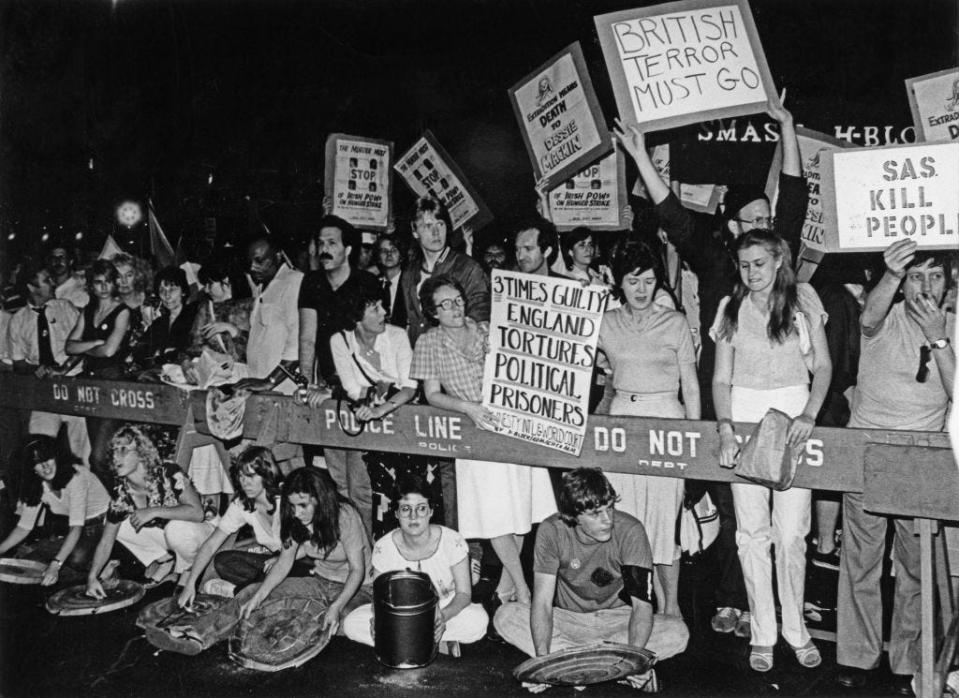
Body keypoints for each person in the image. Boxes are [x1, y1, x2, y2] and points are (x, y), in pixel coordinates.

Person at [836, 240, 956, 693]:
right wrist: (889, 273)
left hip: (922, 453)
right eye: (915, 275)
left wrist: (939, 336)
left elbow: (957, 390)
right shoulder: (884, 313)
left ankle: (909, 658)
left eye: (935, 275)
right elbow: (867, 319)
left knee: (915, 564)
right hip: (866, 445)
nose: (925, 285)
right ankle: (856, 656)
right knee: (861, 559)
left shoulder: (955, 324)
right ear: (903, 281)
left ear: (948, 282)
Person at [712, 229, 832, 672]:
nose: (752, 273)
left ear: (779, 260)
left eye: (759, 263)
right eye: (744, 265)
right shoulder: (730, 308)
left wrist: (810, 414)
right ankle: (762, 631)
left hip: (793, 420)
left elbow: (822, 365)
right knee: (751, 535)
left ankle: (795, 629)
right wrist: (725, 428)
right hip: (744, 419)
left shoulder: (803, 301)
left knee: (792, 534)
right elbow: (721, 378)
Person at [410, 275, 555, 607]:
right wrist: (467, 408)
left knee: (520, 512)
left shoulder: (488, 330)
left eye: (458, 300)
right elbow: (432, 394)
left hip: (512, 427)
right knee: (495, 516)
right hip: (474, 434)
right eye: (445, 304)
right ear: (434, 312)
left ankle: (505, 589)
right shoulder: (429, 342)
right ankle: (522, 587)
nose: (454, 308)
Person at [494, 468, 689, 693]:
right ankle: (600, 664)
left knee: (678, 631)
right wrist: (543, 660)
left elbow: (642, 607)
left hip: (620, 621)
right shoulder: (551, 530)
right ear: (573, 516)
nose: (607, 520)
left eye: (610, 508)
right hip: (569, 620)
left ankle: (574, 665)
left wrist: (634, 659)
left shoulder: (631, 530)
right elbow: (543, 603)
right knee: (505, 615)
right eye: (596, 514)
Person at [596, 242, 699, 618]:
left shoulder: (674, 322)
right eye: (633, 280)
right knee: (623, 517)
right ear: (618, 281)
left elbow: (691, 382)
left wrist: (695, 435)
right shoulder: (605, 322)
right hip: (622, 418)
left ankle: (671, 608)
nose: (641, 289)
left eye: (650, 281)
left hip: (666, 420)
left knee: (663, 519)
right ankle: (634, 605)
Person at [163, 467, 372, 650]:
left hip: (358, 589)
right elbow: (284, 562)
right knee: (252, 594)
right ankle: (198, 633)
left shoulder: (344, 515)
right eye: (293, 506)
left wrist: (335, 607)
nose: (297, 513)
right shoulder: (294, 517)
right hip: (320, 581)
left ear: (320, 499)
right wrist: (260, 595)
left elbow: (357, 570)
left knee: (336, 622)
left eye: (303, 506)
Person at [343, 473, 488, 651]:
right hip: (401, 612)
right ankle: (430, 642)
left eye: (420, 508)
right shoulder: (384, 547)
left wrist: (443, 617)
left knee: (478, 621)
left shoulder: (452, 541)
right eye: (405, 509)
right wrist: (378, 620)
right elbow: (379, 597)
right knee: (351, 623)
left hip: (442, 606)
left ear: (431, 511)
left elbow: (464, 594)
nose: (413, 516)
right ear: (396, 513)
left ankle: (407, 641)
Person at [325, 282, 419, 537]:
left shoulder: (397, 336)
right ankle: (352, 544)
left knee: (364, 490)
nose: (383, 313)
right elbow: (351, 388)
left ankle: (369, 546)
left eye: (382, 306)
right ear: (356, 317)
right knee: (343, 486)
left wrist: (379, 408)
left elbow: (409, 387)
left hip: (392, 418)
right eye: (374, 309)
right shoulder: (340, 341)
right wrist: (382, 388)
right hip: (360, 416)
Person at [85, 425, 213, 595]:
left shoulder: (168, 472)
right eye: (114, 451)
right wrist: (92, 577)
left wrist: (154, 511)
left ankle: (189, 571)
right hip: (171, 537)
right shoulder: (122, 491)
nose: (116, 457)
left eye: (123, 450)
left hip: (204, 531)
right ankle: (164, 560)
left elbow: (197, 513)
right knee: (118, 524)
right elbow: (106, 540)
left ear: (141, 451)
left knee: (176, 529)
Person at [177, 446, 290, 605]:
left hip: (299, 561)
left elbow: (311, 545)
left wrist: (280, 559)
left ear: (267, 474)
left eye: (251, 476)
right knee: (223, 560)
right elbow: (211, 545)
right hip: (272, 561)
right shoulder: (242, 504)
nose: (245, 482)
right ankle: (250, 589)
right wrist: (190, 583)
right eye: (241, 477)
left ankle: (237, 592)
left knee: (278, 578)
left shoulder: (287, 500)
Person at [7, 264, 89, 465]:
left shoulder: (66, 308)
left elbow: (83, 345)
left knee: (82, 453)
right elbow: (18, 363)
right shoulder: (18, 321)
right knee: (39, 449)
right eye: (47, 280)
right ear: (32, 287)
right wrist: (36, 369)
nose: (53, 283)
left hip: (73, 385)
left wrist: (64, 368)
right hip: (43, 392)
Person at [0, 435, 109, 586]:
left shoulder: (76, 477)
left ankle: (106, 564)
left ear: (57, 457)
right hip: (73, 524)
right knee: (32, 560)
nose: (46, 466)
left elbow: (76, 528)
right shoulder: (35, 484)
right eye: (38, 462)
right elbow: (24, 526)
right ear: (31, 468)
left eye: (48, 458)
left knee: (76, 561)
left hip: (100, 522)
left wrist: (55, 565)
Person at [65, 260, 132, 482]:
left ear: (115, 284)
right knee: (97, 454)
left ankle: (122, 501)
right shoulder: (88, 311)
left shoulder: (122, 312)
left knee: (100, 456)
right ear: (91, 286)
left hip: (113, 382)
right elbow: (69, 346)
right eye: (98, 282)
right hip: (90, 382)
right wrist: (94, 342)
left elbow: (110, 351)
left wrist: (88, 348)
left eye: (108, 282)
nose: (103, 287)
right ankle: (118, 502)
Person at [401, 197, 489, 345]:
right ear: (414, 231)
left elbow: (480, 318)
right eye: (428, 226)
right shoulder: (409, 274)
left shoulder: (468, 268)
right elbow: (411, 323)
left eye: (440, 224)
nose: (436, 232)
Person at [183, 255, 253, 374]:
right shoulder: (205, 308)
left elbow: (256, 351)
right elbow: (191, 347)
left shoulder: (251, 306)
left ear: (225, 280)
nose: (206, 290)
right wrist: (210, 352)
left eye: (209, 284)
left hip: (245, 376)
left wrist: (233, 330)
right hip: (217, 373)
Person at [132, 266, 198, 370]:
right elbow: (140, 349)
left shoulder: (195, 316)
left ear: (183, 292)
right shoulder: (159, 322)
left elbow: (194, 349)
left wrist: (161, 353)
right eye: (162, 290)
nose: (167, 295)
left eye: (172, 289)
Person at [375, 234, 407, 328]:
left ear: (401, 256)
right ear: (378, 257)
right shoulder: (374, 283)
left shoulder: (409, 282)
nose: (389, 254)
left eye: (393, 250)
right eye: (384, 251)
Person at [47, 245, 89, 309]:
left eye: (62, 257)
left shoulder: (80, 286)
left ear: (70, 261)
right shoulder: (44, 285)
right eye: (54, 258)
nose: (57, 261)